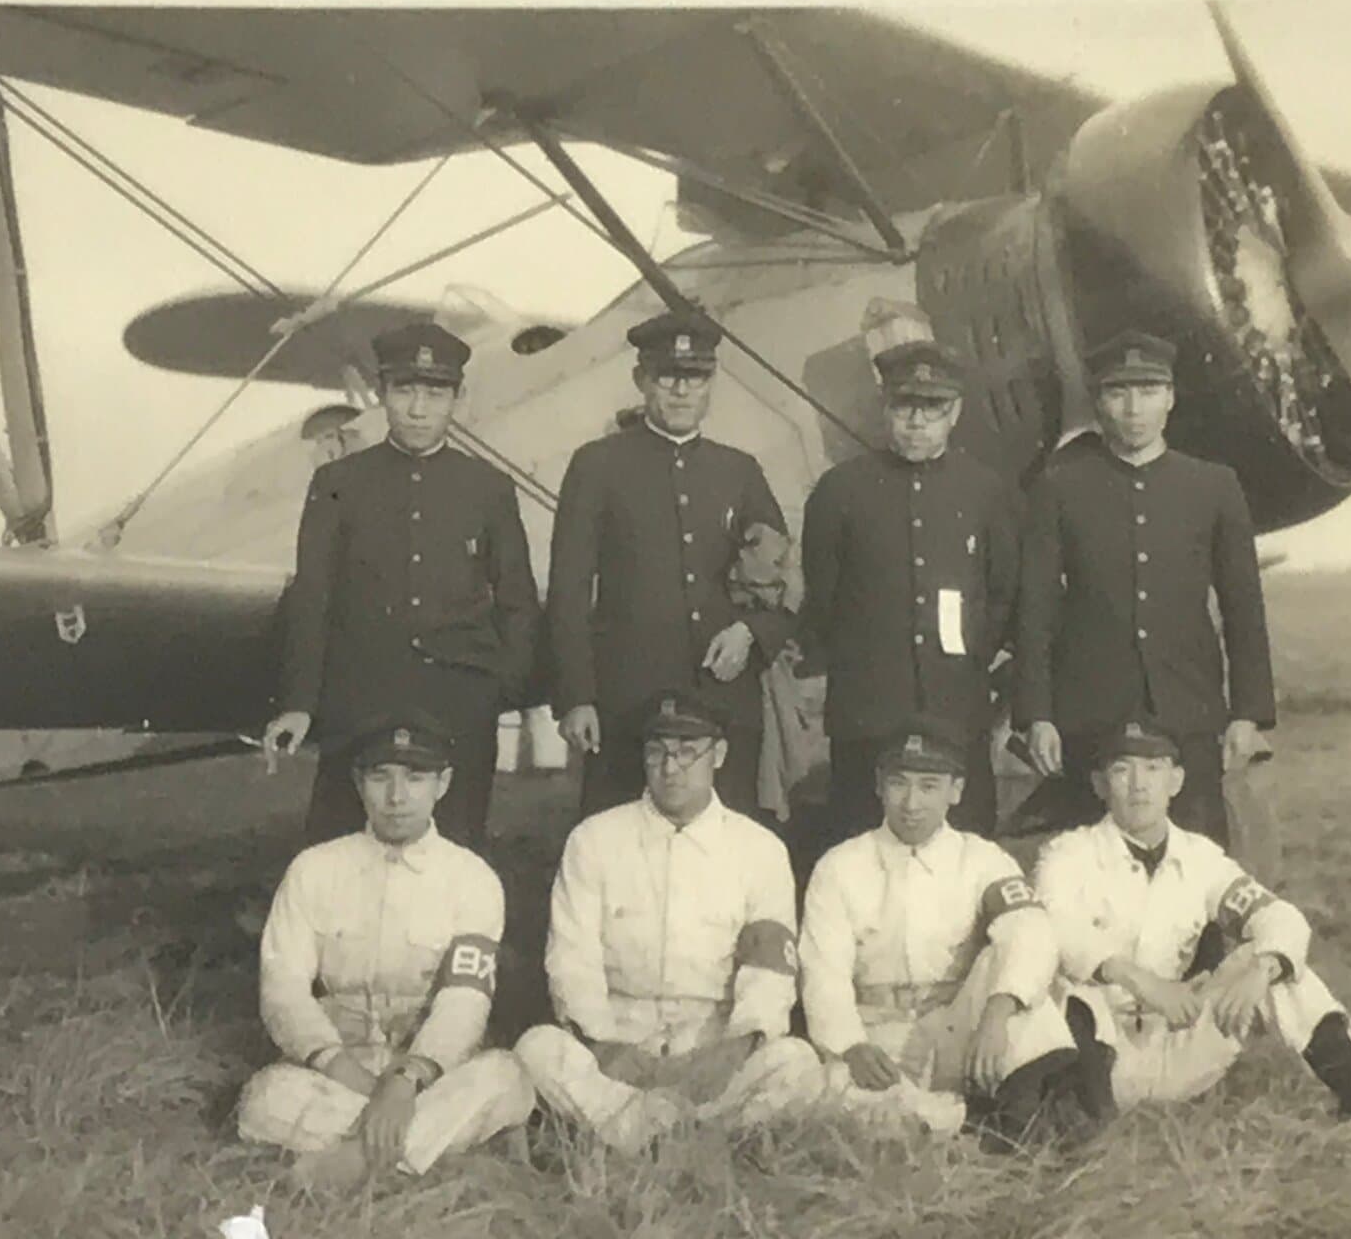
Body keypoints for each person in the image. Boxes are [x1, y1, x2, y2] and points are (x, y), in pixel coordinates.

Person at [1011, 720, 1351, 1128]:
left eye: (1154, 770)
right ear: (1100, 784)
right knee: (1071, 989)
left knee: (1275, 960)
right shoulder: (1066, 854)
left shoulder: (1200, 856)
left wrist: (1262, 969)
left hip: (1174, 1035)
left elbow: (1277, 914)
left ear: (1176, 781)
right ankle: (1086, 1127)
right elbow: (1057, 930)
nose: (1138, 785)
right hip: (1098, 1048)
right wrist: (1142, 982)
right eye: (1122, 770)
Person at [261, 321, 538, 850]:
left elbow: (517, 600)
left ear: (456, 398)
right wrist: (299, 702)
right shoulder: (338, 483)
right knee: (341, 845)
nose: (418, 408)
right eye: (405, 390)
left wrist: (499, 688)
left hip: (458, 700)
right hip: (360, 697)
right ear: (384, 393)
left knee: (454, 845)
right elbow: (312, 596)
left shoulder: (488, 489)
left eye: (435, 393)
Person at [514, 689, 823, 1151]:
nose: (670, 768)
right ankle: (684, 1137)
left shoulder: (759, 849)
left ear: (717, 755)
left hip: (713, 1045)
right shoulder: (595, 839)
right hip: (617, 1044)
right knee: (536, 1049)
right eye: (656, 752)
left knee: (798, 1065)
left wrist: (732, 1051)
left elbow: (769, 973)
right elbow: (571, 959)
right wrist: (604, 1048)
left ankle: (658, 1133)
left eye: (686, 753)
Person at [235, 714, 537, 1186]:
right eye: (381, 778)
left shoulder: (472, 879)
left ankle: (352, 1163)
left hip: (431, 1073)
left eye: (415, 779)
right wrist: (342, 1068)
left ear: (443, 784)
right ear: (359, 783)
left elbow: (465, 1000)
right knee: (264, 1097)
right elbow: (283, 990)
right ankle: (430, 1154)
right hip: (339, 1068)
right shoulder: (315, 869)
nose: (397, 797)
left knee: (505, 1076)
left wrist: (407, 1080)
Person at [1012, 329, 1273, 847]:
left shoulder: (1213, 486)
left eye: (1149, 391)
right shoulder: (1060, 487)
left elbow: (1243, 607)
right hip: (1090, 712)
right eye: (1118, 392)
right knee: (1088, 867)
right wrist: (1036, 715)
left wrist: (1248, 712)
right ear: (1098, 400)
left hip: (1188, 710)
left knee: (1198, 862)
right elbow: (1035, 610)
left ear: (1171, 398)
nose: (1134, 408)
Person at [545, 310, 794, 819]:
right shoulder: (597, 465)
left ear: (711, 384)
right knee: (615, 839)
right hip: (627, 700)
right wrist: (576, 696)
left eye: (695, 377)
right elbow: (568, 588)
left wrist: (750, 632)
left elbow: (783, 582)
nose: (681, 391)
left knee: (726, 846)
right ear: (642, 380)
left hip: (722, 699)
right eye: (667, 377)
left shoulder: (740, 471)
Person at [798, 719, 1079, 1142]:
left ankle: (1015, 1138)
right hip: (877, 1035)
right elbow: (824, 973)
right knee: (821, 1089)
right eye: (899, 784)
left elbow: (1029, 931)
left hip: (956, 1027)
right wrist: (850, 1044)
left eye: (929, 786)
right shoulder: (839, 866)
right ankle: (959, 1123)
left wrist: (997, 1014)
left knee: (1025, 997)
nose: (911, 802)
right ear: (879, 786)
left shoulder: (982, 859)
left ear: (956, 791)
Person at [799, 338, 1021, 843]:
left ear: (956, 411)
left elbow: (1003, 593)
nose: (917, 422)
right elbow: (824, 600)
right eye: (905, 407)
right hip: (868, 714)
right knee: (860, 848)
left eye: (932, 408)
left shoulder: (986, 492)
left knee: (963, 851)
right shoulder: (840, 491)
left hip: (955, 710)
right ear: (886, 408)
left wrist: (967, 659)